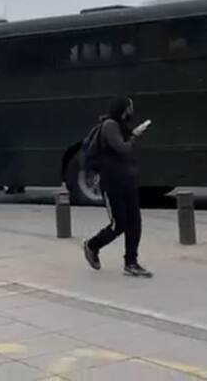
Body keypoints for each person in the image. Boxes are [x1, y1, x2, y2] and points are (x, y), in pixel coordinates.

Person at [83, 97, 153, 278]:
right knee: (119, 224)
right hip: (112, 184)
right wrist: (135, 136)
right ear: (123, 109)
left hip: (127, 182)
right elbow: (122, 149)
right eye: (130, 107)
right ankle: (92, 245)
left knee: (135, 223)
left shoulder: (120, 126)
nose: (132, 111)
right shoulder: (110, 126)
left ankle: (131, 262)